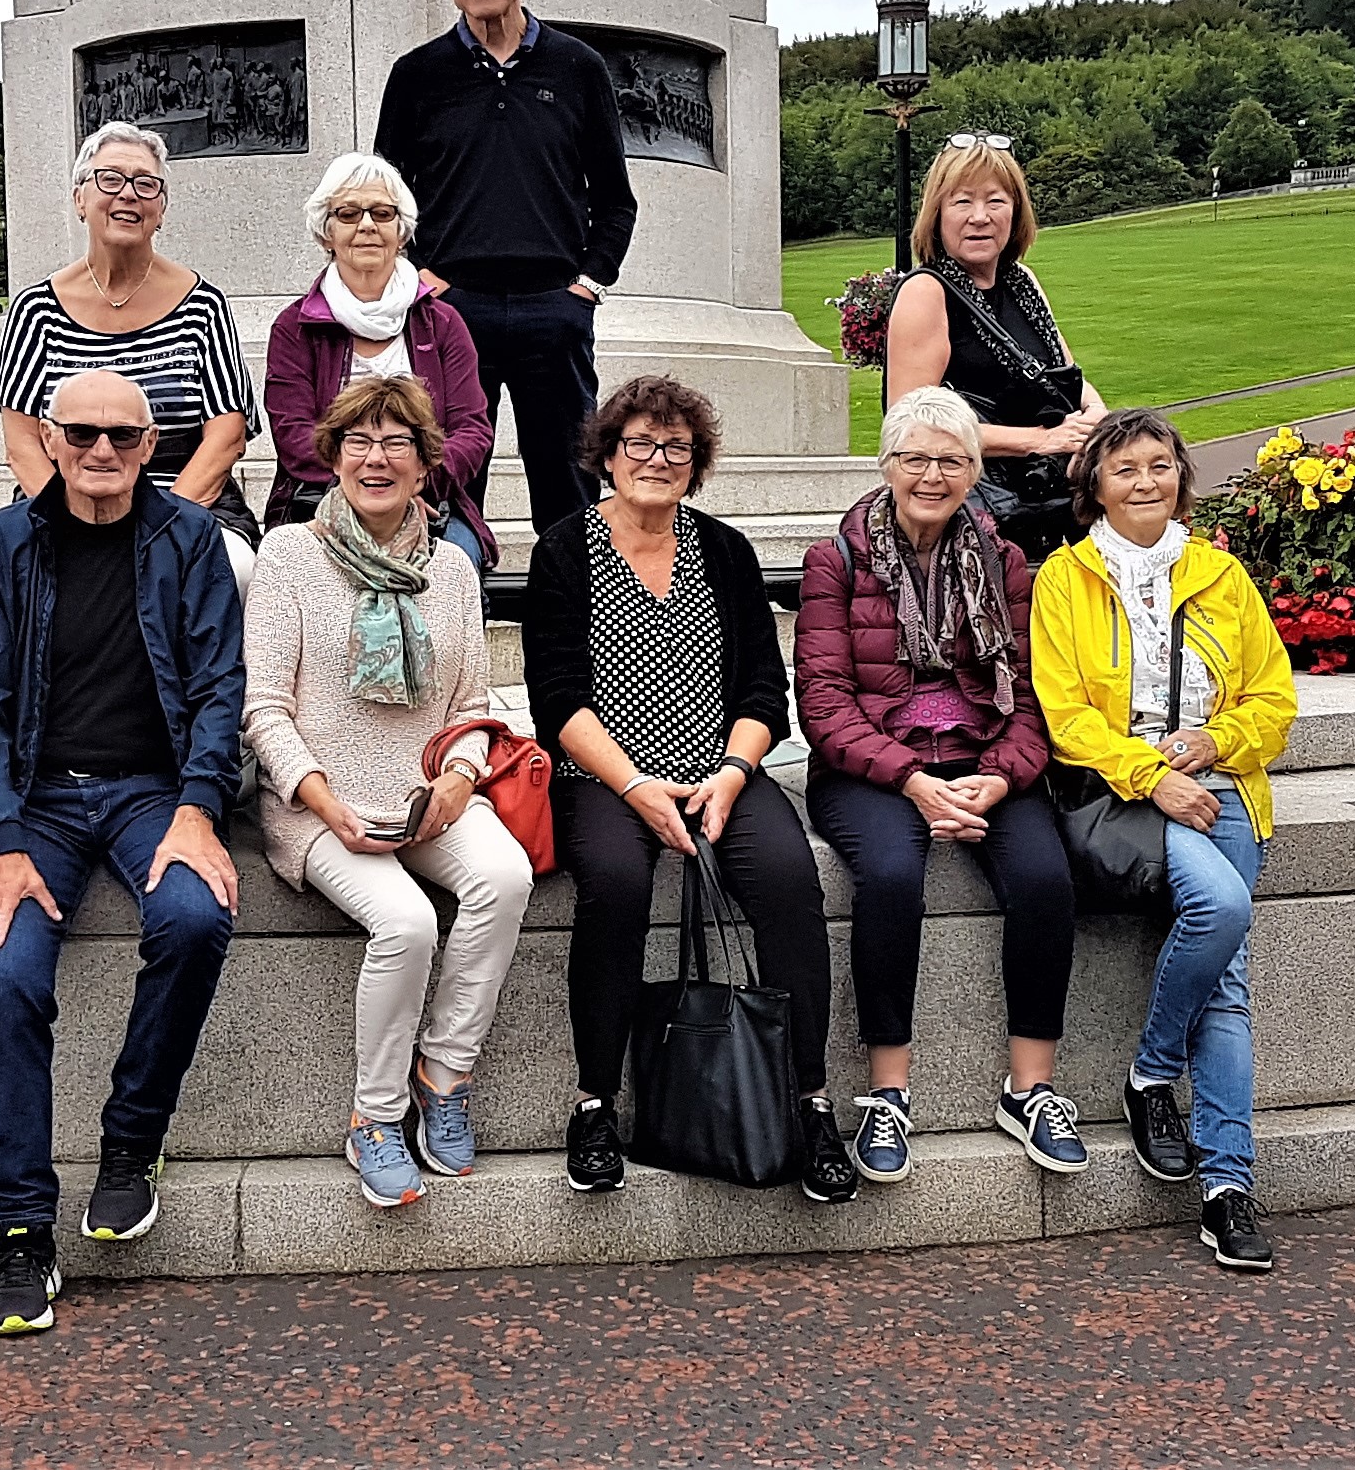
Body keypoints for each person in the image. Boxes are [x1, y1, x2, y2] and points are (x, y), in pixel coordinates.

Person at [0, 369, 247, 1337]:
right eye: (81, 433)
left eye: (123, 436)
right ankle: (21, 1229)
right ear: (49, 438)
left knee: (194, 917)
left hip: (151, 792)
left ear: (152, 445)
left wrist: (200, 806)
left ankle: (132, 1141)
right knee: (7, 976)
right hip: (36, 800)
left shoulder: (190, 539)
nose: (102, 451)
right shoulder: (1, 544)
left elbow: (219, 687)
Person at [522, 375, 860, 1205]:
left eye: (676, 446)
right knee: (615, 883)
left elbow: (763, 694)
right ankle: (595, 1103)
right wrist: (636, 785)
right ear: (608, 455)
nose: (657, 459)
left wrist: (732, 775)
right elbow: (556, 702)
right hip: (606, 775)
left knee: (788, 880)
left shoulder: (726, 551)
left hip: (719, 770)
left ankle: (810, 1100)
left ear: (696, 461)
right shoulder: (564, 550)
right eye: (639, 442)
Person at [240, 377, 536, 1207]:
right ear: (332, 456)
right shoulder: (289, 556)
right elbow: (263, 708)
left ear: (424, 462)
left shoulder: (452, 568)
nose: (377, 459)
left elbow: (473, 707)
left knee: (505, 877)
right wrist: (322, 800)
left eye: (397, 441)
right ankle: (374, 1117)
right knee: (405, 923)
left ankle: (444, 1073)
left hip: (427, 790)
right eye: (360, 441)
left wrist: (460, 777)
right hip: (320, 806)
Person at [1032, 408, 1298, 1273]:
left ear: (1181, 476)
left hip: (1224, 783)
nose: (1145, 481)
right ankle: (1151, 1073)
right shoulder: (1065, 578)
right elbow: (1066, 716)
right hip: (1126, 791)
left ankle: (1226, 1188)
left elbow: (1273, 699)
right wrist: (1155, 775)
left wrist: (1216, 743)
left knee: (1228, 992)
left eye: (1159, 465)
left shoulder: (1220, 573)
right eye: (1125, 468)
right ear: (1095, 487)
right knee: (1222, 910)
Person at [794, 386, 1081, 1184]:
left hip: (983, 757)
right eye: (915, 458)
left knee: (1045, 878)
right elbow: (823, 704)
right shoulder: (836, 559)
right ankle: (888, 1094)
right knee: (891, 876)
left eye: (952, 460)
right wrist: (915, 780)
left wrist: (998, 777)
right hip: (872, 767)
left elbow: (1033, 697)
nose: (932, 475)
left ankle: (1030, 1089)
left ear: (974, 471)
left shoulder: (1006, 561)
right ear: (887, 465)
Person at [371, 0, 639, 545]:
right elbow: (383, 200)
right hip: (453, 308)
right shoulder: (416, 75)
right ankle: (456, 594)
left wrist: (587, 285)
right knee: (449, 482)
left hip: (555, 308)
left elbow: (615, 198)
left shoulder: (578, 67)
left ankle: (571, 599)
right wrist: (422, 280)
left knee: (569, 482)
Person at [0, 121, 264, 551]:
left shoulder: (203, 306)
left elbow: (227, 434)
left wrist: (159, 527)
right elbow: (22, 444)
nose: (128, 194)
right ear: (80, 199)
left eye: (145, 184)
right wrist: (74, 526)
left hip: (184, 504)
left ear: (161, 209)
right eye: (110, 179)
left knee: (234, 565)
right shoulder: (36, 311)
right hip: (65, 507)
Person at [262, 151, 496, 569]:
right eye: (349, 213)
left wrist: (411, 484)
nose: (367, 225)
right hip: (322, 497)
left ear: (401, 232)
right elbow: (293, 434)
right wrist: (366, 491)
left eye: (383, 213)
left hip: (430, 498)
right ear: (326, 233)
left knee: (453, 564)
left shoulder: (443, 324)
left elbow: (472, 431)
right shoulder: (294, 327)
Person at [877, 136, 1106, 560]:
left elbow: (1065, 376)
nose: (979, 217)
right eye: (962, 202)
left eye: (995, 201)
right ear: (937, 214)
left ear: (1016, 212)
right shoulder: (926, 292)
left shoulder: (1024, 284)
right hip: (973, 517)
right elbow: (911, 424)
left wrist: (1097, 417)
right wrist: (1040, 440)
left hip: (1048, 499)